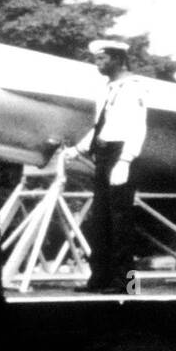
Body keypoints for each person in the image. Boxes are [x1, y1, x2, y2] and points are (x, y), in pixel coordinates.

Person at [62, 38, 148, 293]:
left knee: (120, 221)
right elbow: (101, 125)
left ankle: (126, 283)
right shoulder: (108, 88)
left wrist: (126, 159)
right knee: (101, 220)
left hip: (121, 154)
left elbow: (137, 126)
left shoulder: (133, 88)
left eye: (103, 59)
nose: (98, 64)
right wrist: (79, 148)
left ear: (118, 59)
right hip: (103, 152)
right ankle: (100, 278)